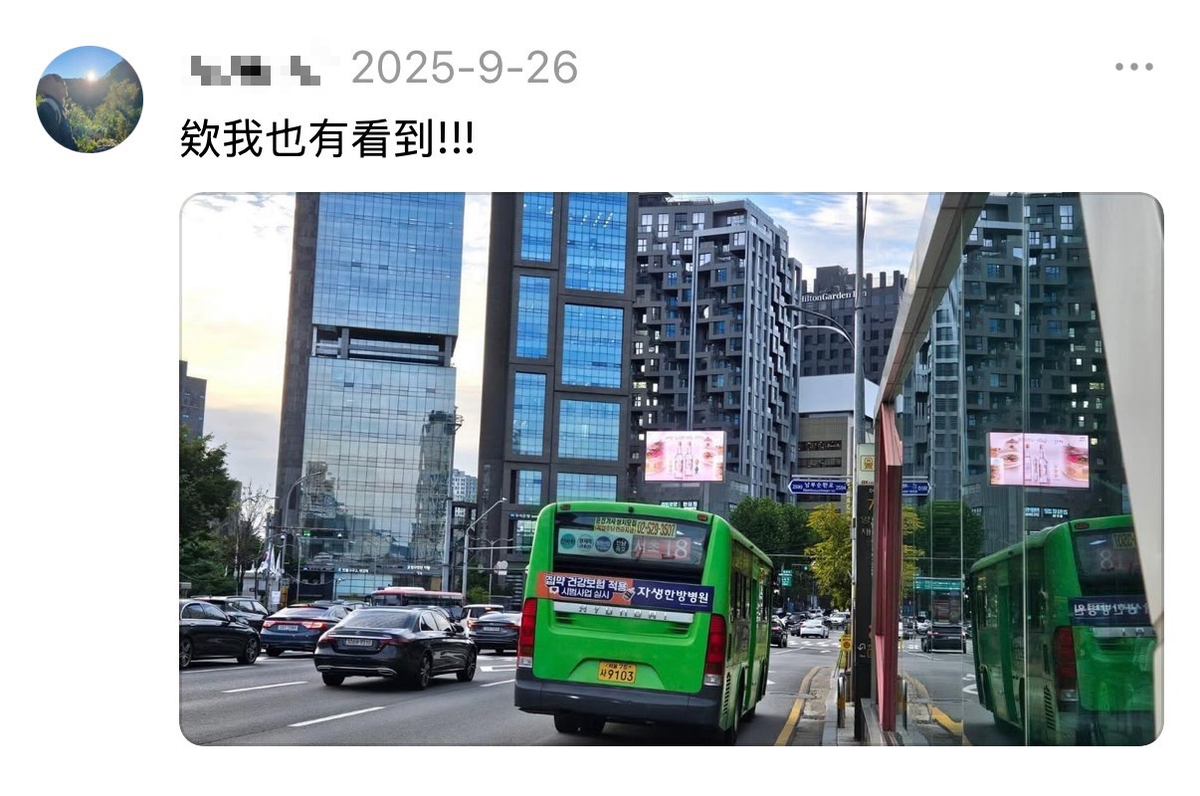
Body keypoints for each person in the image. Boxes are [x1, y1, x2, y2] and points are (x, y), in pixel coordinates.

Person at [37, 73, 78, 151]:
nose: (66, 86)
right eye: (63, 83)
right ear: (55, 86)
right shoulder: (46, 109)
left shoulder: (54, 107)